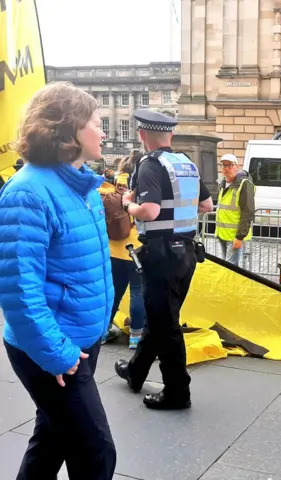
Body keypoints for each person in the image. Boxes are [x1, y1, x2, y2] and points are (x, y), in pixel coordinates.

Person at [0, 82, 116, 479]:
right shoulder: (28, 193)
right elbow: (18, 292)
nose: (103, 132)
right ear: (67, 129)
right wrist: (58, 354)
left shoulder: (83, 187)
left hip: (80, 338)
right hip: (53, 348)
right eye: (96, 122)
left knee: (51, 440)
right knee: (95, 453)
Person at [114, 109, 213, 410]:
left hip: (161, 256)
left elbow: (151, 211)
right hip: (186, 253)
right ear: (170, 135)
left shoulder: (149, 165)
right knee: (161, 318)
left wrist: (127, 204)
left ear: (143, 135)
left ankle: (177, 392)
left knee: (165, 324)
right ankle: (136, 370)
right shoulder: (186, 164)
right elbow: (206, 205)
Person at [99, 152, 145, 348]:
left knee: (114, 291)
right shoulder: (140, 185)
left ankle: (103, 331)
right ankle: (136, 336)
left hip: (113, 248)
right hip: (135, 247)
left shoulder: (114, 183)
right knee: (137, 291)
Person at [215, 153, 256, 266]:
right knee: (227, 266)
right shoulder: (222, 183)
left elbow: (248, 212)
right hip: (222, 234)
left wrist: (239, 237)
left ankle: (230, 284)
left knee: (230, 268)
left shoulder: (244, 184)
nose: (226, 168)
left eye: (230, 165)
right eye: (223, 165)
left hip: (234, 236)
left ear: (237, 166)